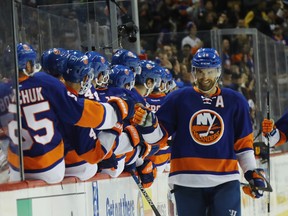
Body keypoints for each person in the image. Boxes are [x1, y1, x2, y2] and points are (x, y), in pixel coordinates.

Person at [156, 48, 267, 216]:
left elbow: (243, 145)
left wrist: (252, 173)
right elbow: (158, 136)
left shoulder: (235, 101)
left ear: (218, 72)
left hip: (225, 180)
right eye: (200, 72)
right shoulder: (177, 99)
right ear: (194, 72)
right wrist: (147, 126)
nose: (205, 77)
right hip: (186, 181)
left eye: (210, 71)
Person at [7, 43, 138, 184]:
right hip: (53, 168)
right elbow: (86, 135)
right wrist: (117, 113)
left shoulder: (5, 90)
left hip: (16, 170)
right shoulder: (47, 84)